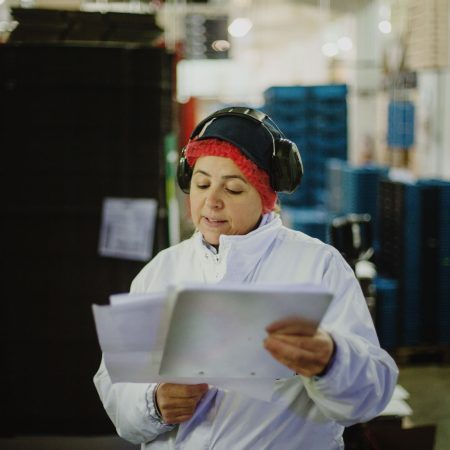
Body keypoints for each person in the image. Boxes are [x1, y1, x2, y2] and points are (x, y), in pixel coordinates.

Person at [94, 106, 398, 450]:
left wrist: (331, 361)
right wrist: (153, 404)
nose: (212, 201)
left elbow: (371, 395)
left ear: (267, 198)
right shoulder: (160, 272)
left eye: (234, 189)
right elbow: (116, 387)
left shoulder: (317, 267)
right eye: (202, 183)